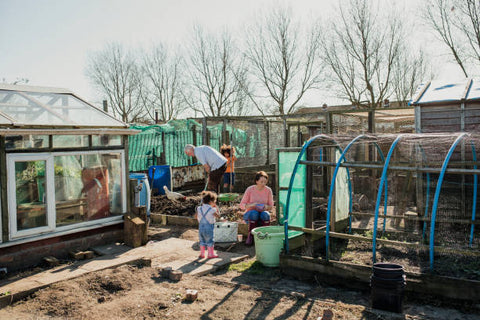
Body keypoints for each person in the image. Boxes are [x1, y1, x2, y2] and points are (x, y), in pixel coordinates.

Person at [239, 171, 274, 245]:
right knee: (254, 213)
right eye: (261, 182)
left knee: (266, 215)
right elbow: (241, 205)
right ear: (256, 181)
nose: (263, 184)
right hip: (250, 214)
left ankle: (265, 237)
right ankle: (250, 236)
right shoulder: (250, 189)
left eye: (265, 182)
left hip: (262, 214)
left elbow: (271, 206)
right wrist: (252, 205)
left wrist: (266, 207)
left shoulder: (268, 190)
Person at [195, 191, 220, 259]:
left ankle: (202, 254)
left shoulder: (199, 208)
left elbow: (195, 216)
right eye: (214, 201)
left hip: (201, 228)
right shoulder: (212, 209)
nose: (215, 203)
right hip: (209, 228)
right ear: (211, 201)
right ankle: (210, 254)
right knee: (210, 241)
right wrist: (216, 209)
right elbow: (218, 216)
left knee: (202, 241)